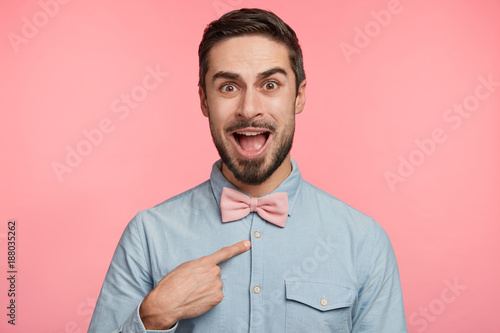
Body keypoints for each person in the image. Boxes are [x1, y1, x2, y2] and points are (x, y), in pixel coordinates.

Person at [89, 8, 407, 333]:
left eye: (270, 85)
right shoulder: (148, 236)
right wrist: (152, 317)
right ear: (203, 100)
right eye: (229, 87)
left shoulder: (364, 242)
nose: (249, 109)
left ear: (298, 95)